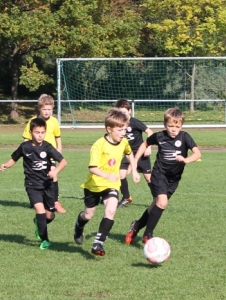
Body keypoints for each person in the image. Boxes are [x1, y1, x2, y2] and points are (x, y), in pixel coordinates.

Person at [125, 107, 201, 245]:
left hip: (174, 178)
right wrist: (135, 159)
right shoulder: (159, 136)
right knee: (162, 202)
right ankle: (148, 235)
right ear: (165, 124)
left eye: (177, 127)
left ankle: (137, 225)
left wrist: (186, 160)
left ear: (181, 126)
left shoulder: (185, 137)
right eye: (170, 126)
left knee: (156, 205)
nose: (174, 129)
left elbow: (197, 153)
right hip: (159, 174)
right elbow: (145, 143)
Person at [74, 108, 139, 256]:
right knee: (88, 215)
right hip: (94, 185)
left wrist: (134, 170)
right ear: (109, 129)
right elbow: (92, 168)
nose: (123, 133)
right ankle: (79, 224)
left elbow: (129, 154)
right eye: (120, 130)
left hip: (111, 185)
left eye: (125, 129)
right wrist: (107, 175)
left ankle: (98, 243)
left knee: (111, 210)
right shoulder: (99, 145)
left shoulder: (123, 142)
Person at [0, 117, 68, 249]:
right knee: (40, 210)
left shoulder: (47, 147)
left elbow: (63, 162)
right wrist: (6, 165)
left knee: (50, 215)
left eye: (42, 132)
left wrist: (55, 171)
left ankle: (38, 222)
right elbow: (14, 158)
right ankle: (45, 240)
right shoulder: (25, 147)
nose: (40, 135)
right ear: (31, 132)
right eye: (37, 132)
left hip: (47, 185)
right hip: (32, 185)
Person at [22, 94, 66, 213]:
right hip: (36, 156)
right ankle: (37, 200)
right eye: (44, 109)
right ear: (39, 108)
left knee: (53, 174)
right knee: (37, 176)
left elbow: (58, 136)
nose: (47, 112)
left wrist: (59, 150)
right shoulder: (33, 121)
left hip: (50, 154)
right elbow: (26, 139)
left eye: (49, 109)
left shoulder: (54, 121)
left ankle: (55, 202)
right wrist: (27, 152)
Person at [114, 99, 151, 207]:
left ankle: (158, 199)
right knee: (121, 174)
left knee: (148, 178)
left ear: (129, 111)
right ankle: (127, 197)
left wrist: (148, 147)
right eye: (120, 112)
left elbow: (149, 132)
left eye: (125, 112)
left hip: (140, 153)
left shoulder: (135, 122)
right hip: (128, 153)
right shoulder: (120, 124)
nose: (123, 114)